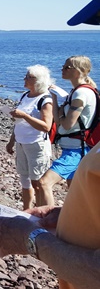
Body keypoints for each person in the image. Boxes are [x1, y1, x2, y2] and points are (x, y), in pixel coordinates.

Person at [0, 0, 100, 289]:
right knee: (44, 183)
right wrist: (66, 217)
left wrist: (32, 239)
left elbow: (62, 123)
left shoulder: (75, 94)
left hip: (70, 147)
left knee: (43, 181)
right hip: (56, 148)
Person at [38, 56, 97, 206]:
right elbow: (60, 122)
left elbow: (67, 124)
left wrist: (61, 113)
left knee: (44, 183)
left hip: (76, 150)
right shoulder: (76, 91)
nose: (62, 70)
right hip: (75, 148)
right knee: (74, 192)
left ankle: (49, 221)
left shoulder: (80, 94)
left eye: (66, 68)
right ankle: (75, 223)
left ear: (77, 71)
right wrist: (55, 98)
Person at [5, 65, 54, 209]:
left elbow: (46, 126)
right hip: (21, 143)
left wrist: (25, 116)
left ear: (38, 80)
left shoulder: (45, 100)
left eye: (28, 77)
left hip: (36, 144)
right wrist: (11, 141)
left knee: (38, 183)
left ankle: (40, 215)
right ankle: (26, 212)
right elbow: (19, 122)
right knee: (24, 181)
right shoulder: (25, 95)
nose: (24, 79)